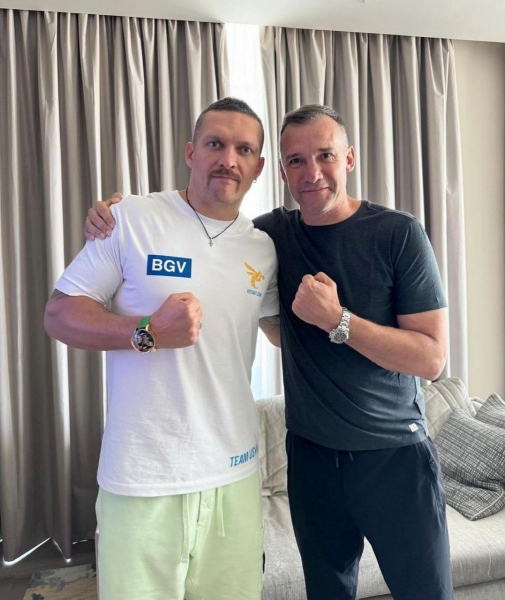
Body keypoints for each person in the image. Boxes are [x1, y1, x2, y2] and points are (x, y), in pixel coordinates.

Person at [85, 104, 454, 600]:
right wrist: (115, 215)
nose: (311, 172)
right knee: (327, 593)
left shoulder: (398, 233)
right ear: (278, 170)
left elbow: (432, 359)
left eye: (325, 155)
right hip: (311, 456)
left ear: (348, 158)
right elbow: (208, 236)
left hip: (394, 455)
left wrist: (338, 320)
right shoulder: (268, 237)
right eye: (296, 160)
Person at [44, 97, 280, 600]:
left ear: (259, 167)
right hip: (142, 476)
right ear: (191, 152)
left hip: (235, 474)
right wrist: (146, 331)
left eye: (244, 149)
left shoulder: (263, 249)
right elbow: (59, 314)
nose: (229, 159)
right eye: (215, 144)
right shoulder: (129, 219)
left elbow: (281, 330)